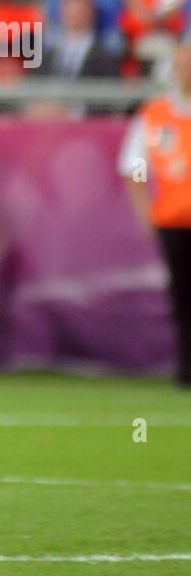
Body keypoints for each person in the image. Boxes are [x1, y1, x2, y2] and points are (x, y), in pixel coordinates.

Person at [119, 41, 191, 387]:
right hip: (173, 220)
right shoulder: (155, 115)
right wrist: (144, 210)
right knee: (181, 296)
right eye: (182, 65)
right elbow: (133, 167)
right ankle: (185, 368)